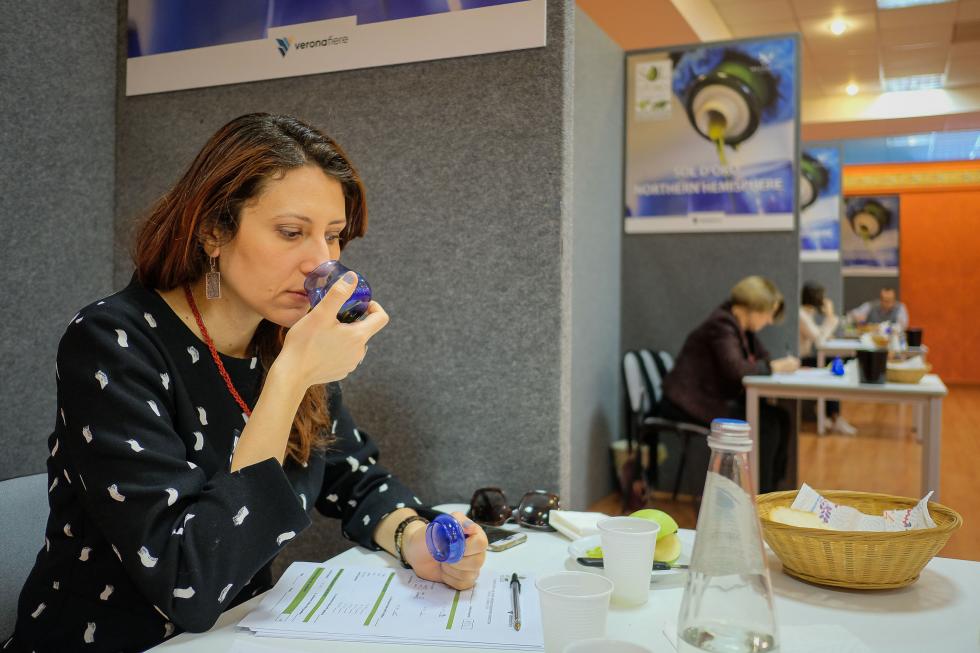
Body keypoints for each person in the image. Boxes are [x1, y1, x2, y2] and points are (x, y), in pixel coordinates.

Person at [4, 114, 488, 653]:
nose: (322, 263)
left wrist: (413, 536)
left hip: (234, 637)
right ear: (214, 231)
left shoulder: (281, 340)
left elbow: (355, 479)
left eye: (333, 236)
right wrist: (292, 376)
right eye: (291, 232)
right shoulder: (112, 341)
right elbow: (191, 582)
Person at [661, 276, 799, 493]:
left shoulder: (742, 330)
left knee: (780, 417)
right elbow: (737, 370)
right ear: (753, 307)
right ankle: (761, 495)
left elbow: (762, 358)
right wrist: (776, 366)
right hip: (689, 402)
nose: (770, 321)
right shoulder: (721, 324)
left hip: (710, 397)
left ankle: (772, 488)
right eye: (768, 313)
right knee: (767, 425)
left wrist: (770, 364)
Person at [799, 282, 856, 436]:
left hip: (807, 358)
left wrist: (824, 331)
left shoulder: (807, 314)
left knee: (833, 366)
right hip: (800, 361)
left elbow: (818, 335)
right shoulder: (801, 315)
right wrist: (830, 316)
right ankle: (833, 416)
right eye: (822, 296)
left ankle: (831, 415)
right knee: (833, 367)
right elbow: (819, 341)